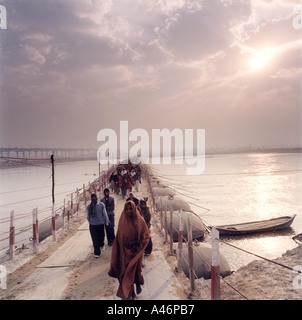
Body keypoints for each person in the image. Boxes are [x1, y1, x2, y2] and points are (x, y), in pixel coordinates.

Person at [108, 200, 150, 300]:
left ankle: (136, 287)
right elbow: (119, 237)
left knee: (135, 271)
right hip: (125, 252)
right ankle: (128, 293)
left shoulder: (140, 221)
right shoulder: (122, 221)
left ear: (134, 208)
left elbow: (146, 236)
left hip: (136, 252)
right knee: (125, 271)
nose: (129, 211)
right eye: (127, 209)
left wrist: (138, 245)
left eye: (130, 208)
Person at [86, 193, 109, 258]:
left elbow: (105, 214)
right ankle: (97, 252)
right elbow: (87, 216)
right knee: (94, 239)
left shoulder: (101, 205)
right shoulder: (89, 207)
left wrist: (106, 221)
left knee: (101, 238)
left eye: (95, 197)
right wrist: (90, 222)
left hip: (100, 224)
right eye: (92, 197)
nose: (94, 199)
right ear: (91, 199)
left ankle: (101, 244)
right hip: (93, 226)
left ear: (97, 197)